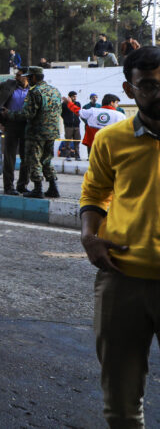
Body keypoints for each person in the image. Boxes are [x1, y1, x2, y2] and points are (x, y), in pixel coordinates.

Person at [79, 46, 160, 427]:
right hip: (122, 280)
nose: (159, 92)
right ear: (130, 90)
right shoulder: (112, 140)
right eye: (148, 86)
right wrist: (89, 237)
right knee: (122, 404)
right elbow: (94, 194)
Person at [4, 66, 62, 199]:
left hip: (37, 133)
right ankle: (53, 187)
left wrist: (9, 114)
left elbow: (27, 114)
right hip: (52, 132)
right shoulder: (55, 91)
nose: (28, 80)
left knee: (34, 160)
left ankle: (38, 188)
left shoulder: (35, 92)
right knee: (47, 160)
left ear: (34, 77)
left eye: (29, 77)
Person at [0, 69, 30, 195]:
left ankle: (22, 185)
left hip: (27, 125)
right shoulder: (10, 84)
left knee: (26, 157)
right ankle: (8, 186)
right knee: (9, 157)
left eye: (19, 75)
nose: (16, 76)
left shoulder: (34, 89)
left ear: (26, 77)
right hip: (11, 124)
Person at [70, 93, 127, 157]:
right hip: (110, 148)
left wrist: (69, 103)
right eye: (116, 103)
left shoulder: (93, 111)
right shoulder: (120, 115)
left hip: (94, 146)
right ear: (111, 103)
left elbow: (78, 111)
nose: (117, 105)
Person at [60, 91, 82, 160]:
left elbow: (77, 110)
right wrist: (67, 120)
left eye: (76, 96)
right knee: (68, 142)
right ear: (70, 97)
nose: (75, 98)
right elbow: (62, 113)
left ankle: (77, 155)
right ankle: (68, 156)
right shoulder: (64, 104)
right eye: (73, 96)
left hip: (76, 125)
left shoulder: (78, 103)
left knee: (77, 141)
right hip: (68, 126)